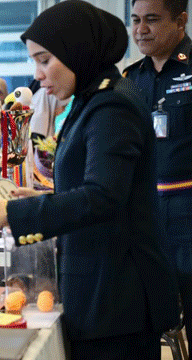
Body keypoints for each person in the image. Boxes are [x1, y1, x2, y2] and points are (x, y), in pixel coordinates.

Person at [0, 1, 179, 358]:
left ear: (77, 51)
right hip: (103, 291)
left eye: (45, 60)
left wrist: (13, 213)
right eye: (35, 62)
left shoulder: (111, 106)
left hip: (116, 298)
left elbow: (104, 196)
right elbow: (101, 183)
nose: (38, 74)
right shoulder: (92, 100)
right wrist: (43, 196)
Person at [124, 0, 192, 349]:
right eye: (135, 20)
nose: (140, 30)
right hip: (146, 212)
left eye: (152, 20)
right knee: (148, 317)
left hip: (187, 209)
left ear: (181, 21)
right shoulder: (130, 78)